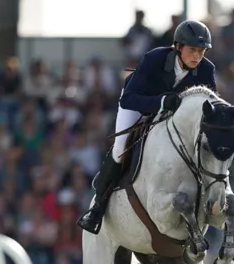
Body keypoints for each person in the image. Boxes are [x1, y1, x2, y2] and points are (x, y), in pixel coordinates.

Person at [77, 20, 218, 235]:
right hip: (140, 106)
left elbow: (210, 107)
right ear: (178, 46)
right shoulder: (155, 59)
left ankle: (220, 197)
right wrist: (161, 102)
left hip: (176, 116)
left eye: (201, 51)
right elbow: (130, 100)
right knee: (120, 148)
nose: (197, 56)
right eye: (193, 50)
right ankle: (97, 208)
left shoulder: (207, 70)